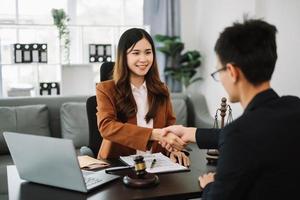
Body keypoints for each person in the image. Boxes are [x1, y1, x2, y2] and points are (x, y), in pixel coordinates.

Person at [162, 18, 300, 199]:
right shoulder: (294, 106)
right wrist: (190, 132)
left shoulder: (239, 134)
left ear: (232, 72)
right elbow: (257, 136)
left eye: (218, 72)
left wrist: (209, 185)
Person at [96, 28, 189, 167]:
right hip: (118, 165)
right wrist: (153, 134)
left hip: (156, 163)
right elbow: (106, 127)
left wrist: (174, 149)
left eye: (148, 52)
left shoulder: (161, 89)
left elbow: (169, 124)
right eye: (136, 53)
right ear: (123, 56)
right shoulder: (106, 89)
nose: (144, 59)